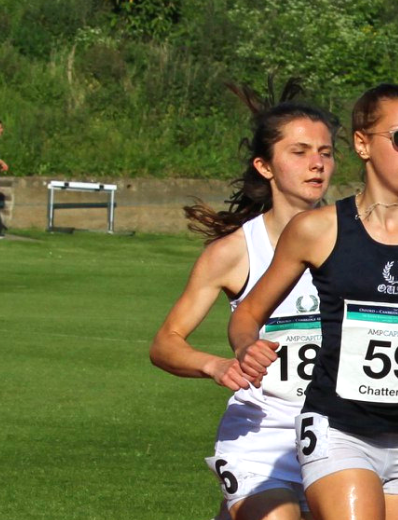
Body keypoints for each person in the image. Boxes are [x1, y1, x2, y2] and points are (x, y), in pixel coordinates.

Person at [228, 84, 398, 520]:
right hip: (337, 428)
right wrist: (246, 346)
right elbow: (248, 312)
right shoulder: (317, 229)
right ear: (362, 144)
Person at [150, 89, 341, 519]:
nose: (317, 163)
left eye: (326, 153)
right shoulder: (235, 252)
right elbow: (165, 343)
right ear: (264, 166)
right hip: (261, 432)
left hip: (343, 434)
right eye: (300, 151)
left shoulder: (359, 239)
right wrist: (216, 365)